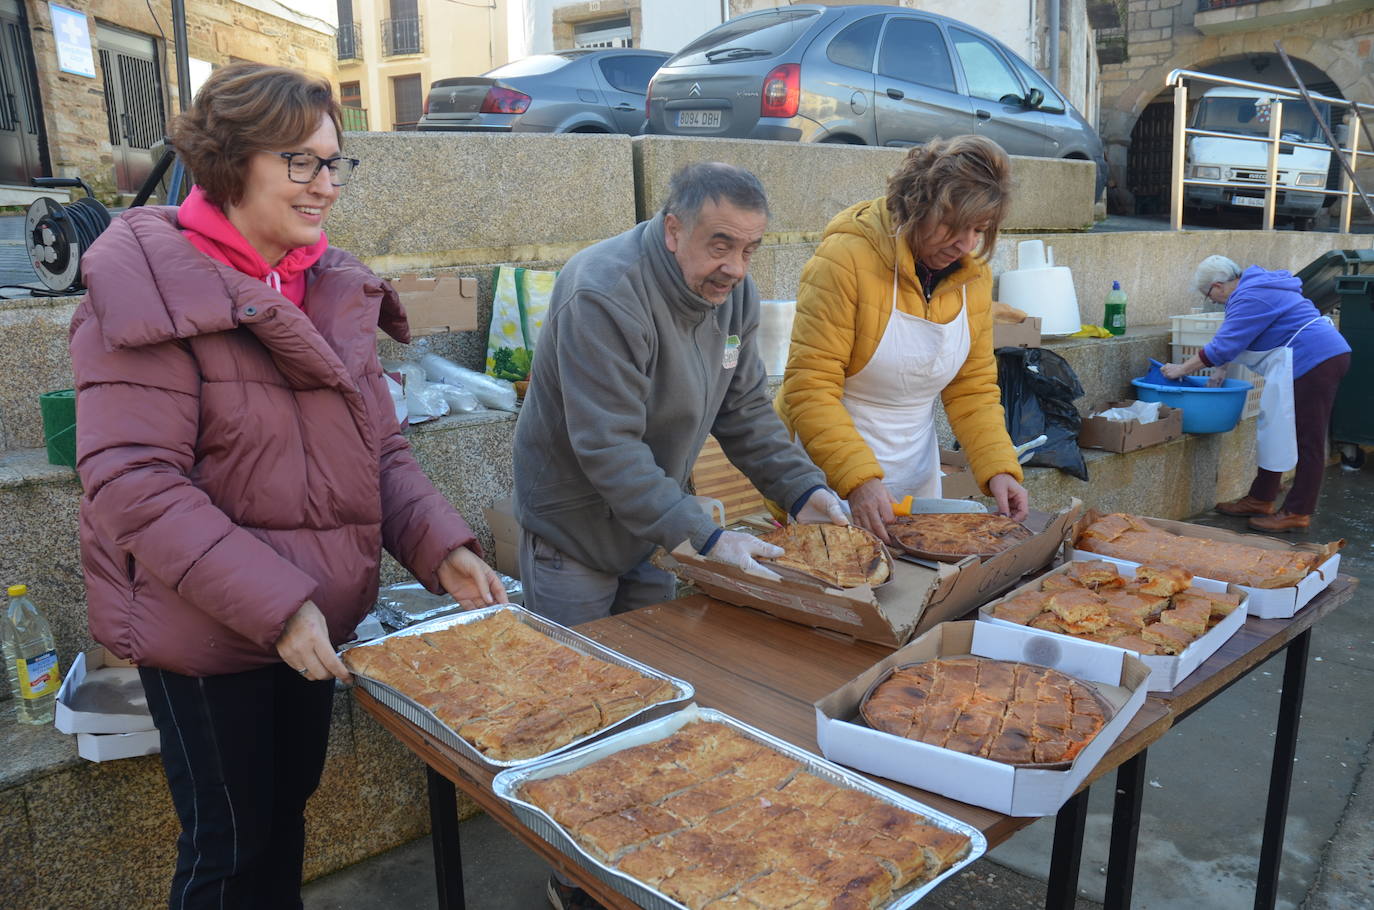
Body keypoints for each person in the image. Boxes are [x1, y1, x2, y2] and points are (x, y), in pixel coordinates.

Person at [69, 63, 504, 909]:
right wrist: (279, 604)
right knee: (229, 849)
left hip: (309, 623)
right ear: (231, 162)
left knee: (285, 824)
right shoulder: (151, 287)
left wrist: (441, 547)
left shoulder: (323, 284)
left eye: (334, 163)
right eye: (299, 162)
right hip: (208, 630)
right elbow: (133, 484)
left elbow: (377, 447)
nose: (325, 185)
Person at [513, 162, 845, 625]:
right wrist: (706, 537)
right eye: (720, 245)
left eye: (750, 250)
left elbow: (745, 408)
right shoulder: (603, 294)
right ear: (673, 230)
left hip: (656, 523)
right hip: (575, 529)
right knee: (582, 677)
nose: (734, 268)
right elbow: (609, 445)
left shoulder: (734, 293)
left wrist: (802, 489)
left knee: (661, 663)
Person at [777, 135, 1028, 543]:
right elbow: (809, 388)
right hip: (832, 468)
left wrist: (998, 467)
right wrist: (857, 479)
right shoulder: (844, 261)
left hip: (916, 471)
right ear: (916, 205)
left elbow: (973, 389)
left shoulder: (973, 277)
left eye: (978, 230)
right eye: (951, 225)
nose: (965, 244)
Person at [1162, 255, 1351, 531]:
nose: (1213, 301)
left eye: (1210, 296)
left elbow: (1223, 345)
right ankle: (1261, 498)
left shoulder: (1248, 297)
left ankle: (1298, 511)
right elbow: (1238, 335)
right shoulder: (1255, 288)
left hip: (1314, 359)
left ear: (1217, 286)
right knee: (1274, 427)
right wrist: (1220, 370)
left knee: (1307, 437)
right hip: (1313, 356)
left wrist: (1180, 370)